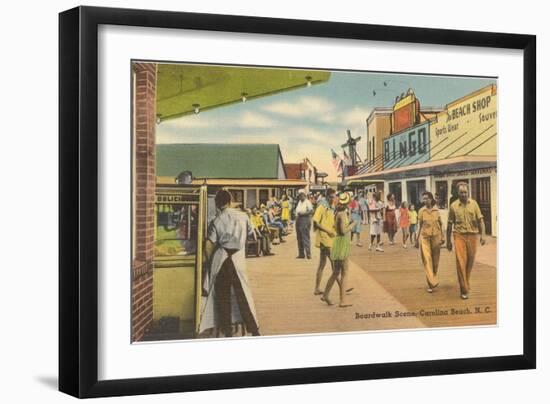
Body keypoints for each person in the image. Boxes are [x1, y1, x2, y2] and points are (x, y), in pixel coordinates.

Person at [200, 190, 260, 337]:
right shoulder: (243, 216)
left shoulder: (216, 220)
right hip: (238, 258)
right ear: (230, 201)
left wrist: (208, 262)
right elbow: (251, 235)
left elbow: (209, 244)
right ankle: (254, 329)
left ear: (217, 203)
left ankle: (226, 330)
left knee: (223, 297)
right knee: (243, 295)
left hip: (222, 259)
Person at [446, 182, 486, 300]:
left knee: (470, 262)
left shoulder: (474, 204)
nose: (464, 194)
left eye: (465, 192)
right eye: (461, 192)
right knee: (460, 262)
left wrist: (483, 235)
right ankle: (464, 289)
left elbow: (481, 221)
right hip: (459, 235)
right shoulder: (453, 206)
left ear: (468, 192)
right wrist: (448, 241)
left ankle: (466, 282)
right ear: (457, 193)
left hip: (473, 236)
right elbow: (449, 224)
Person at [321, 192, 357, 307]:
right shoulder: (342, 214)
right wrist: (353, 225)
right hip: (342, 242)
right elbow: (343, 231)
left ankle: (326, 294)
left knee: (336, 272)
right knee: (345, 272)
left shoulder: (337, 212)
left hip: (337, 242)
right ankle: (343, 300)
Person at [415, 192, 444, 293]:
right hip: (425, 238)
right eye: (423, 199)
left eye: (427, 198)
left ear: (431, 199)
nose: (425, 200)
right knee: (427, 260)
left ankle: (433, 278)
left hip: (436, 237)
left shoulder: (436, 210)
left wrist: (443, 237)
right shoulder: (421, 211)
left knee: (435, 262)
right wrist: (416, 239)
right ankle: (431, 283)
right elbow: (419, 226)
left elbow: (441, 224)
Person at [295, 189, 314, 259]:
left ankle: (308, 254)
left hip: (305, 219)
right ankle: (301, 254)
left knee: (305, 237)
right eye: (300, 195)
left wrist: (303, 213)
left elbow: (311, 211)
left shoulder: (307, 202)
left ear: (304, 195)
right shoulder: (299, 202)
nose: (301, 196)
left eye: (302, 195)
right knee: (299, 237)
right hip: (298, 219)